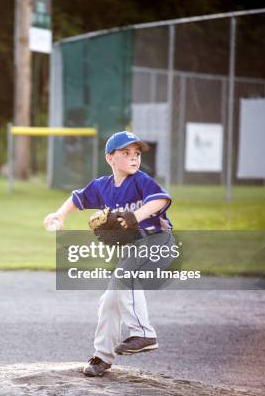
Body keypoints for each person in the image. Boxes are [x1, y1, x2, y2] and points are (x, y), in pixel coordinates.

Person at [43, 131, 176, 377]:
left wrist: (133, 217)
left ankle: (144, 333)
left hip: (158, 242)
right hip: (135, 248)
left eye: (136, 153)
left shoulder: (141, 181)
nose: (133, 158)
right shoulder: (102, 186)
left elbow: (161, 200)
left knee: (126, 277)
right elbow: (77, 199)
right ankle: (102, 357)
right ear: (110, 159)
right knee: (110, 300)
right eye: (125, 153)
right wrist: (60, 215)